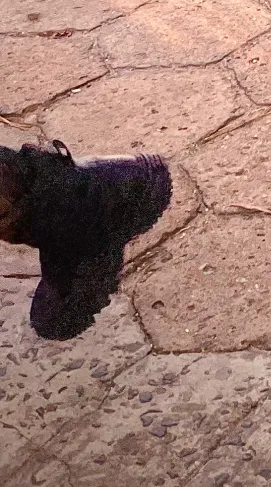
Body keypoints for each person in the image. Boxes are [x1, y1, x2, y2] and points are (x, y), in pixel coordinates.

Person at [0, 140, 172, 341]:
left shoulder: (58, 217)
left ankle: (108, 243)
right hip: (84, 195)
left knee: (54, 322)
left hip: (137, 196)